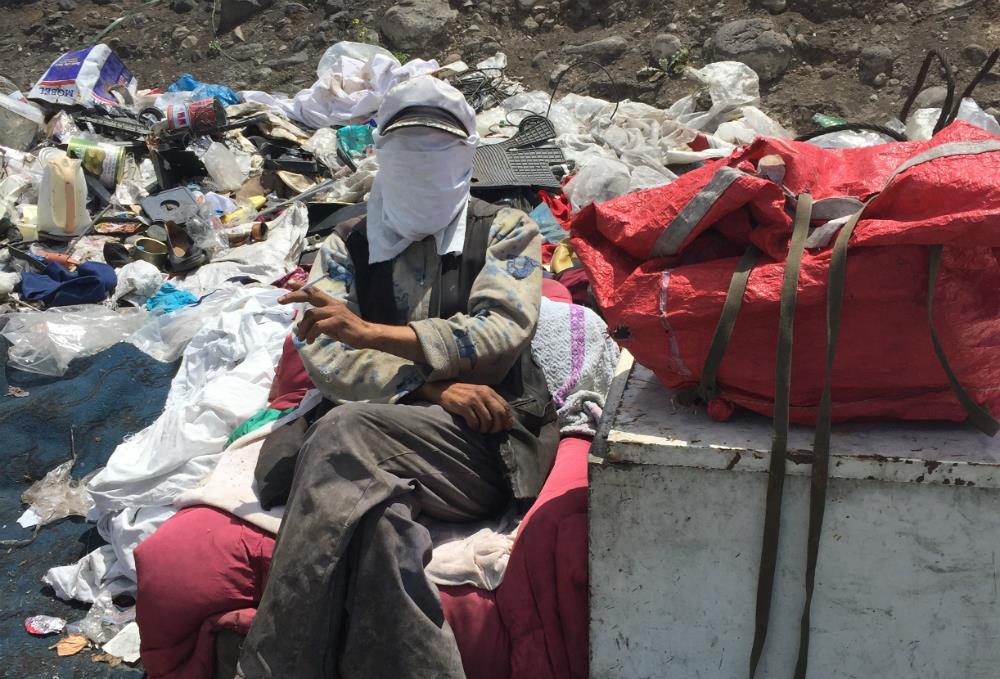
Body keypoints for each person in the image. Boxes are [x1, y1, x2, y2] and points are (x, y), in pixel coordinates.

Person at [237, 75, 557, 679]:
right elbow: (327, 357)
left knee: (344, 431)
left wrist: (373, 335)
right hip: (391, 433)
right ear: (381, 157)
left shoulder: (507, 233)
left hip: (478, 442)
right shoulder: (345, 245)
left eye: (436, 154)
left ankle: (270, 668)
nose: (421, 169)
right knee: (378, 523)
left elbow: (497, 335)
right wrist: (429, 385)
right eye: (406, 153)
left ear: (465, 157)